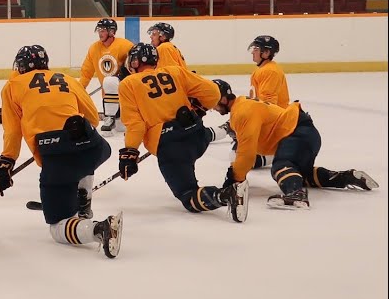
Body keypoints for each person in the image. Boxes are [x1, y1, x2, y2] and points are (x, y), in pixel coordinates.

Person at [0, 45, 122, 256]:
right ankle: (83, 196)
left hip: (57, 160)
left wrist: (6, 161)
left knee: (57, 225)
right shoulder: (67, 79)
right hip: (94, 148)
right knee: (85, 156)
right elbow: (93, 118)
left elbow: (13, 132)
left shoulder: (12, 85)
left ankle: (99, 229)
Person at [116, 43, 245, 219]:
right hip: (197, 136)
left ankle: (225, 195)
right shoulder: (174, 71)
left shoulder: (128, 84)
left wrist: (130, 153)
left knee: (188, 194)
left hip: (171, 147)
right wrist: (198, 109)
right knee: (193, 146)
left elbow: (135, 125)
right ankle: (223, 130)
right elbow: (213, 92)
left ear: (137, 61)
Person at [213, 79, 377, 210]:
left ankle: (296, 194)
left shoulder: (242, 111)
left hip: (297, 132)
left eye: (213, 100)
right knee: (300, 174)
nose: (212, 107)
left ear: (223, 98)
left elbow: (246, 152)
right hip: (303, 133)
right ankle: (346, 177)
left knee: (281, 166)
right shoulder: (243, 105)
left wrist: (235, 178)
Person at [79, 18, 134, 133]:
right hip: (108, 97)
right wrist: (81, 87)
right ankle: (110, 117)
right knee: (118, 127)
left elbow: (135, 65)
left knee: (122, 128)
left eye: (103, 30)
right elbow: (86, 70)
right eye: (98, 30)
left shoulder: (125, 45)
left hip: (126, 93)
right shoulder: (94, 48)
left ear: (111, 32)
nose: (100, 33)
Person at [247, 35, 289, 106]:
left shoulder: (270, 71)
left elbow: (268, 105)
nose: (252, 52)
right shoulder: (262, 69)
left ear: (266, 53)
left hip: (276, 116)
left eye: (256, 49)